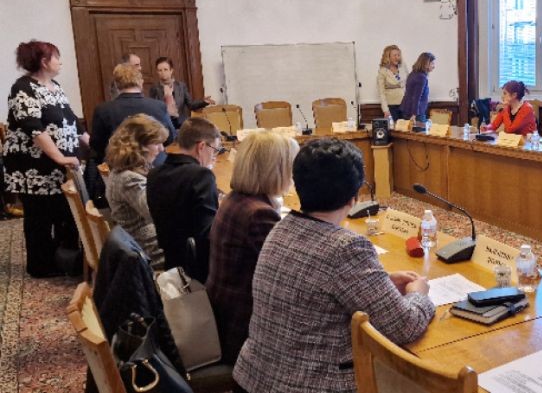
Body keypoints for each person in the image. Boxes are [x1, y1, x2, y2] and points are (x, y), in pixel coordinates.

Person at [234, 138, 435, 393]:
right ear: (354, 197)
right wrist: (418, 294)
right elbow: (404, 326)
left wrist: (382, 284)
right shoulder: (346, 248)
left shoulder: (281, 227)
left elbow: (321, 290)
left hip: (252, 380)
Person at [206, 131, 299, 365]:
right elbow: (291, 276)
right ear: (276, 169)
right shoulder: (258, 214)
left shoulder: (236, 199)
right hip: (243, 330)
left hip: (224, 315)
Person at [4, 40, 89, 277]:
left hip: (58, 167)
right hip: (33, 168)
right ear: (44, 61)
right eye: (56, 57)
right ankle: (41, 266)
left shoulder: (55, 86)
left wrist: (93, 144)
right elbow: (34, 128)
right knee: (39, 218)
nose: (60, 62)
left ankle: (64, 260)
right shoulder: (23, 88)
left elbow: (73, 122)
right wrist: (59, 157)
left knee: (64, 213)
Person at [147, 117, 222, 283]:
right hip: (198, 271)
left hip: (172, 264)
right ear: (201, 146)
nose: (214, 157)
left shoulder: (154, 174)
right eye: (214, 150)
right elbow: (208, 234)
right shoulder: (201, 176)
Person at [104, 114, 169, 271]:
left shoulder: (124, 170)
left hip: (138, 242)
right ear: (139, 146)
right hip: (146, 250)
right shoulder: (129, 179)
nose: (161, 149)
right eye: (157, 143)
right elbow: (157, 214)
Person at [91, 63, 175, 164]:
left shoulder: (103, 110)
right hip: (155, 165)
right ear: (141, 82)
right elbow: (170, 138)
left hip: (120, 164)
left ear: (116, 84)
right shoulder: (158, 106)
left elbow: (97, 145)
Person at [149, 56, 214, 128]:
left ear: (171, 70)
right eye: (160, 70)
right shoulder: (154, 89)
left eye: (165, 69)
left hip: (181, 124)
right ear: (157, 72)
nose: (163, 72)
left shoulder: (181, 86)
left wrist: (204, 102)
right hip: (164, 125)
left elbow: (191, 104)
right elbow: (153, 109)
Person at [399, 52, 436, 123]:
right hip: (416, 113)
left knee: (408, 131)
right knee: (420, 130)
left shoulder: (413, 74)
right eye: (432, 63)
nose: (434, 66)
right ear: (425, 63)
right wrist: (414, 115)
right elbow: (416, 97)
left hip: (406, 110)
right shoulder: (421, 77)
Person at [376, 45, 407, 121]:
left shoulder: (403, 67)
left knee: (405, 127)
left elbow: (409, 85)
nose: (397, 57)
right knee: (393, 127)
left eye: (398, 55)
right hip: (391, 107)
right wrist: (385, 110)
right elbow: (381, 93)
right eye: (394, 55)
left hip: (405, 104)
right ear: (388, 57)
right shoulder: (382, 71)